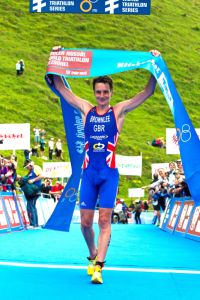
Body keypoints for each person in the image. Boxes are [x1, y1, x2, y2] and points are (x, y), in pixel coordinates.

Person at [49, 46, 160, 284]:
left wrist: (154, 63)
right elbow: (61, 89)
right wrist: (56, 58)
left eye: (105, 92)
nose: (101, 96)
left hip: (108, 174)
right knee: (86, 223)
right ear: (94, 92)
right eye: (98, 92)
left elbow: (147, 92)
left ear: (111, 92)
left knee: (104, 221)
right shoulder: (86, 109)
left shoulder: (118, 111)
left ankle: (99, 265)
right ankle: (92, 255)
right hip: (88, 175)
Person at [21, 159, 43, 228]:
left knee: (31, 206)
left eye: (27, 167)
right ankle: (34, 224)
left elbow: (42, 176)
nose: (27, 168)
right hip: (31, 191)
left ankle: (33, 224)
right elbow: (25, 178)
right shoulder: (30, 171)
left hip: (35, 190)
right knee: (31, 206)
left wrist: (33, 180)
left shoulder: (36, 168)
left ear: (30, 165)